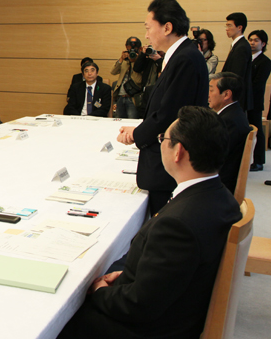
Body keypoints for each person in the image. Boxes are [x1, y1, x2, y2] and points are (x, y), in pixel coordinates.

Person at [59, 106, 242, 339]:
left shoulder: (178, 225)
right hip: (176, 304)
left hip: (154, 328)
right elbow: (170, 273)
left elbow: (138, 306)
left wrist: (99, 291)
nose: (160, 144)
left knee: (62, 313)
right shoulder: (220, 196)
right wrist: (128, 276)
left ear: (178, 152)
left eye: (162, 139)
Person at [118, 0, 209, 216]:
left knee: (161, 221)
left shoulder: (185, 58)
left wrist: (137, 135)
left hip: (171, 162)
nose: (146, 35)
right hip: (166, 157)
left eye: (149, 28)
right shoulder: (179, 55)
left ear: (167, 27)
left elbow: (170, 114)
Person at [208, 72, 251, 193]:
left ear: (226, 94)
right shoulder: (234, 114)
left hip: (219, 187)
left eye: (211, 90)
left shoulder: (229, 121)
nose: (208, 95)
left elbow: (212, 157)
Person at [247, 30, 271, 171]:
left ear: (263, 44)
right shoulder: (246, 58)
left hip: (255, 101)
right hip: (244, 100)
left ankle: (259, 161)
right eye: (250, 40)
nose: (252, 43)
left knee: (257, 131)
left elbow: (258, 84)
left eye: (256, 40)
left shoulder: (265, 62)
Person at [222, 12, 253, 111]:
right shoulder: (238, 45)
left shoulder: (242, 47)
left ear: (240, 27)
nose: (227, 29)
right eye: (226, 26)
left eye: (229, 25)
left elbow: (236, 76)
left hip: (235, 98)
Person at [111, 37, 143, 119]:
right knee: (118, 122)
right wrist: (121, 59)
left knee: (131, 122)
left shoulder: (141, 61)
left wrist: (135, 61)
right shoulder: (124, 61)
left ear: (139, 49)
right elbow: (113, 72)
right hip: (120, 96)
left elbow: (138, 80)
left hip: (133, 98)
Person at [133, 46, 164, 118]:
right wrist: (143, 54)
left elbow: (167, 71)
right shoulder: (148, 60)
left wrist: (159, 60)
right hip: (146, 91)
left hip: (159, 90)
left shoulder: (166, 60)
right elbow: (137, 68)